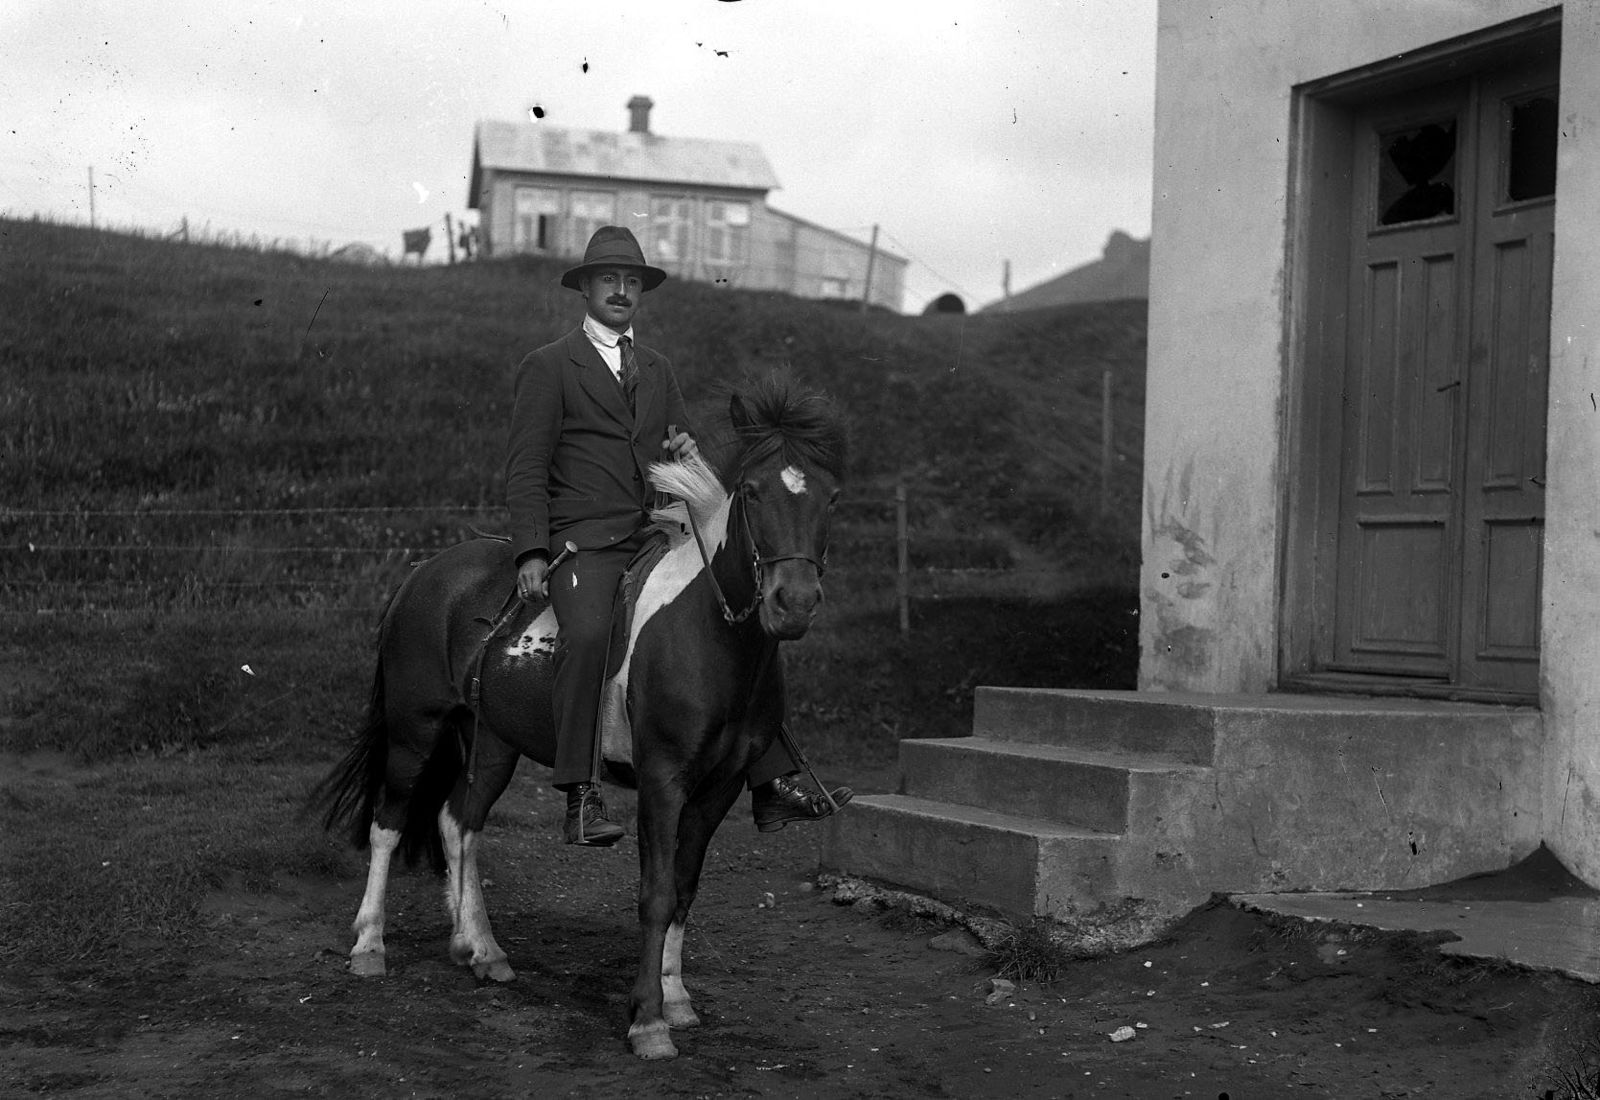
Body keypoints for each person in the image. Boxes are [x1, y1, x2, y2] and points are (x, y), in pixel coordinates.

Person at [505, 225, 852, 846]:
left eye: (631, 282)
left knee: (740, 617)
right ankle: (581, 791)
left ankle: (772, 777)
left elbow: (677, 448)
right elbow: (527, 465)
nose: (621, 291)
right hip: (584, 542)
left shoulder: (657, 369)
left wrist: (686, 449)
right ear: (585, 289)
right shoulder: (549, 366)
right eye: (608, 280)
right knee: (588, 635)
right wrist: (532, 549)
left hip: (654, 532)